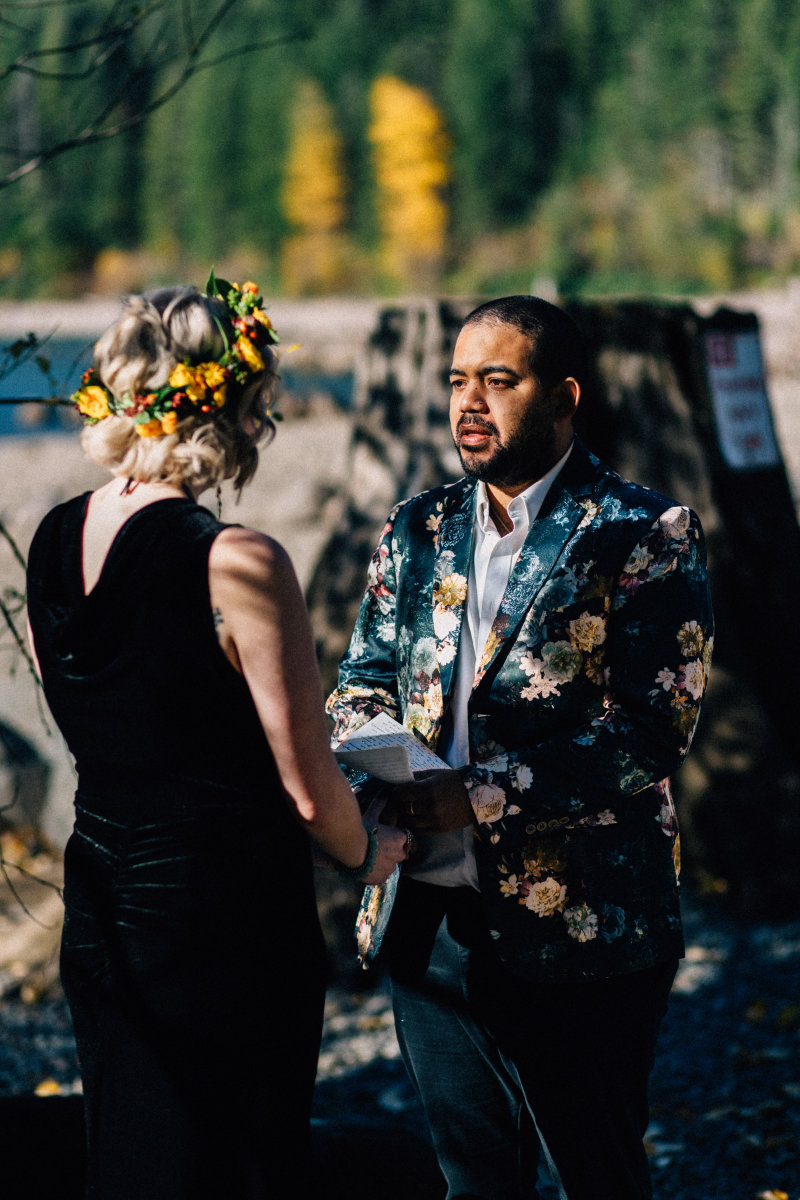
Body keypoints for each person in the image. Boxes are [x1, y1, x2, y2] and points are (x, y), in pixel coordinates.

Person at [25, 277, 408, 1200]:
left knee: (134, 1153)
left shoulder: (49, 538)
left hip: (104, 899)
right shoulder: (236, 561)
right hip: (223, 918)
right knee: (242, 1158)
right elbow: (311, 790)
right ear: (233, 406)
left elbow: (96, 725)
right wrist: (375, 852)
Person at [327, 295, 714, 1200]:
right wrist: (377, 762)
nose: (470, 403)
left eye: (499, 381)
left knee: (593, 1174)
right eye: (459, 381)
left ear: (563, 396)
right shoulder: (417, 527)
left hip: (584, 920)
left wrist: (484, 794)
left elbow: (652, 731)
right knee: (472, 1180)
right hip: (428, 913)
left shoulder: (643, 532)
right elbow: (358, 683)